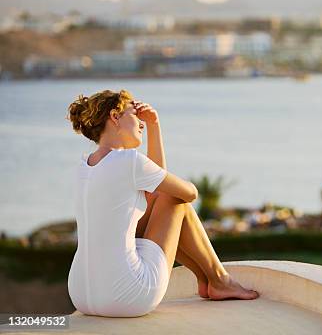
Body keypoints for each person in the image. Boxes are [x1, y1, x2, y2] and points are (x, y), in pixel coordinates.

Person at [66, 89, 258, 317]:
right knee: (176, 199)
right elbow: (188, 193)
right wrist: (156, 127)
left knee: (162, 198)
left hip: (80, 295)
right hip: (128, 297)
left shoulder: (83, 166)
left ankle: (208, 280)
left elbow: (155, 189)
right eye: (135, 115)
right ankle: (218, 278)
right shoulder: (129, 161)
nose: (142, 124)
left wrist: (153, 124)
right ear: (115, 117)